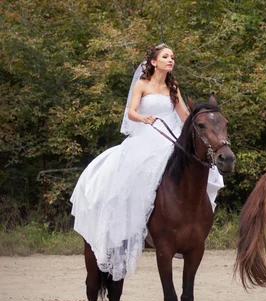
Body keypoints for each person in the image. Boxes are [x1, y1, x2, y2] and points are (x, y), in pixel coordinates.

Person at [70, 43, 224, 281]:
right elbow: (131, 112)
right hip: (146, 134)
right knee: (137, 172)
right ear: (154, 62)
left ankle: (192, 225)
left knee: (199, 168)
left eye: (172, 56)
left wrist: (200, 128)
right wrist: (144, 117)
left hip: (171, 138)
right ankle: (135, 222)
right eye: (165, 56)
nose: (170, 60)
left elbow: (184, 115)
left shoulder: (173, 86)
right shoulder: (142, 85)